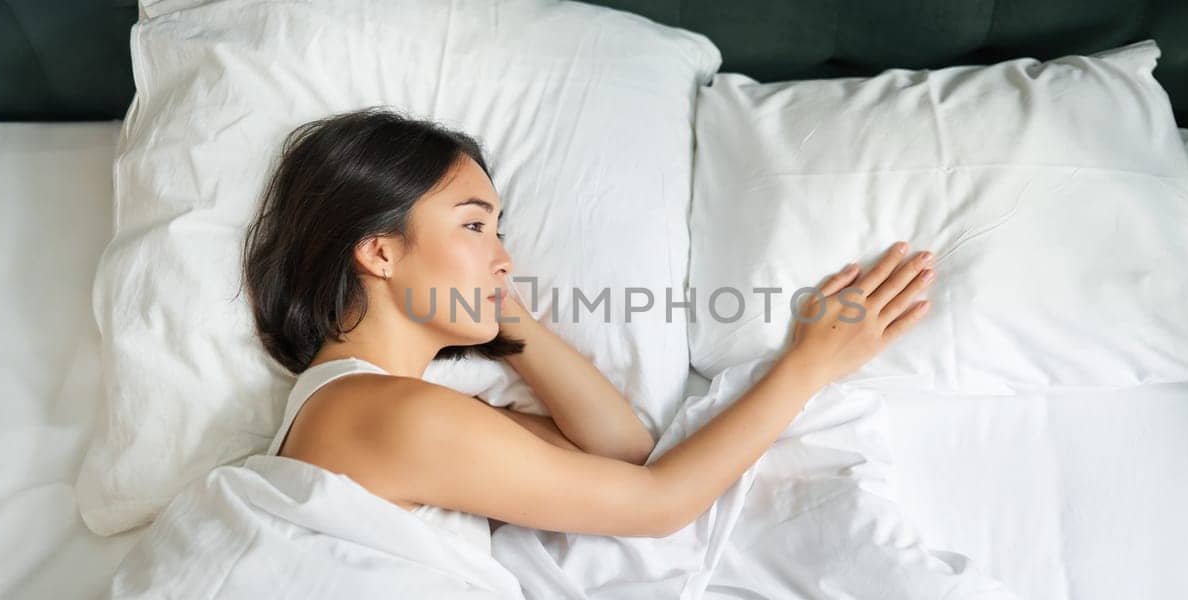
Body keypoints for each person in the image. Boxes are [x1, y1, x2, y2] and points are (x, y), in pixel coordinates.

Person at [240, 106, 937, 549]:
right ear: (380, 249)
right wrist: (808, 364)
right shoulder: (390, 415)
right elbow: (660, 504)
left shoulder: (379, 408)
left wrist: (498, 310)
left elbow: (621, 449)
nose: (504, 256)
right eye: (474, 225)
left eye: (498, 231)